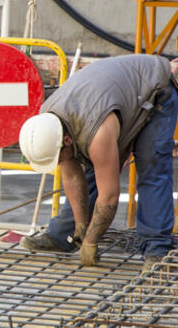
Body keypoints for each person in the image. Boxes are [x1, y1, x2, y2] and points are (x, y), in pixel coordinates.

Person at [18, 54, 178, 270]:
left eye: (57, 158)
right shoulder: (50, 121)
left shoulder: (97, 133)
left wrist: (91, 242)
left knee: (151, 166)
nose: (58, 163)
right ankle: (65, 235)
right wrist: (83, 224)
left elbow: (110, 196)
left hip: (156, 89)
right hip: (115, 97)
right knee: (95, 164)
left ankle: (157, 249)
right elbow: (72, 175)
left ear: (66, 140)